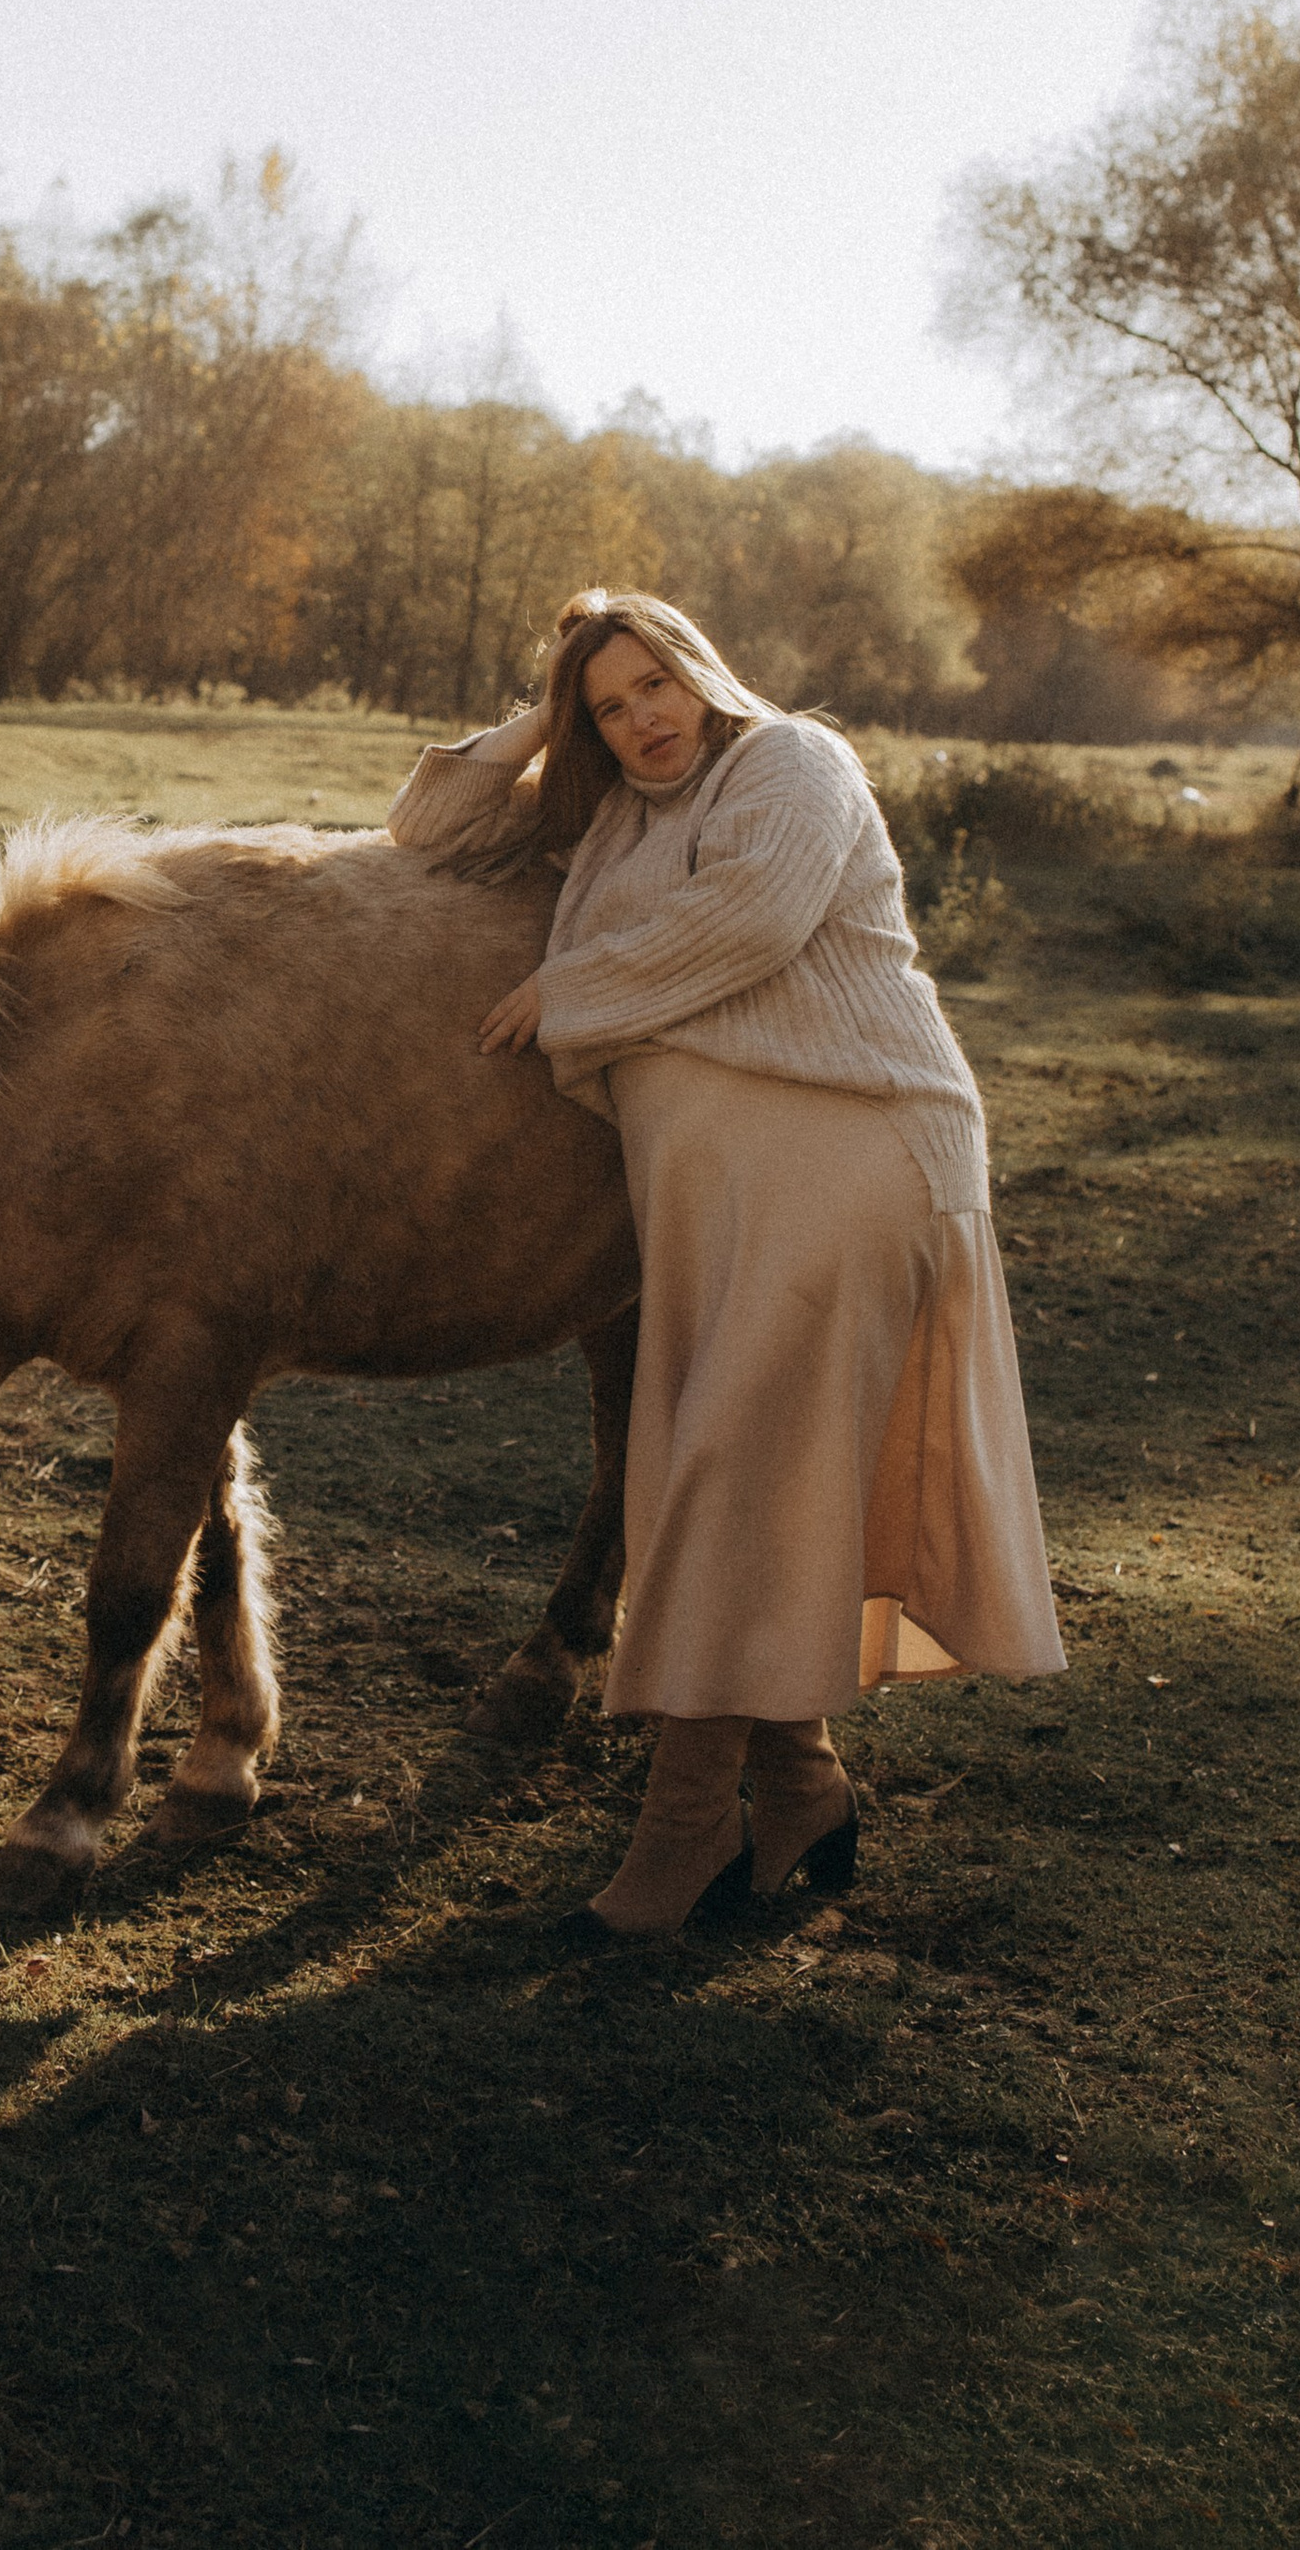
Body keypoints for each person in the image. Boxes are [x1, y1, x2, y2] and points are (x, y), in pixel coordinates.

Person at [388, 587, 1065, 1939]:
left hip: (853, 1150)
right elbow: (432, 827)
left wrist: (571, 994)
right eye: (611, 708)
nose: (643, 720)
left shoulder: (793, 760)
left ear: (704, 670)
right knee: (757, 1485)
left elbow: (754, 916)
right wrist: (545, 711)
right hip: (716, 1200)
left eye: (657, 684)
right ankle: (800, 1786)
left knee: (725, 1473)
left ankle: (687, 1827)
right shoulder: (612, 818)